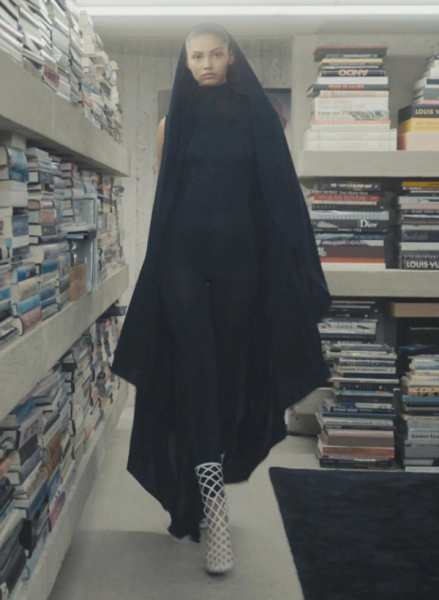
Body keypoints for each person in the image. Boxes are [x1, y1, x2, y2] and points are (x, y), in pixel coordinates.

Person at [111, 23, 332, 575]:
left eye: (214, 54)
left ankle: (207, 485)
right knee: (197, 373)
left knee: (228, 376)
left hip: (241, 267)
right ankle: (214, 507)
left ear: (231, 56)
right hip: (181, 266)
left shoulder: (260, 118)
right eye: (196, 56)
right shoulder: (171, 125)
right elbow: (167, 202)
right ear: (185, 62)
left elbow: (277, 196)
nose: (205, 64)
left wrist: (295, 269)